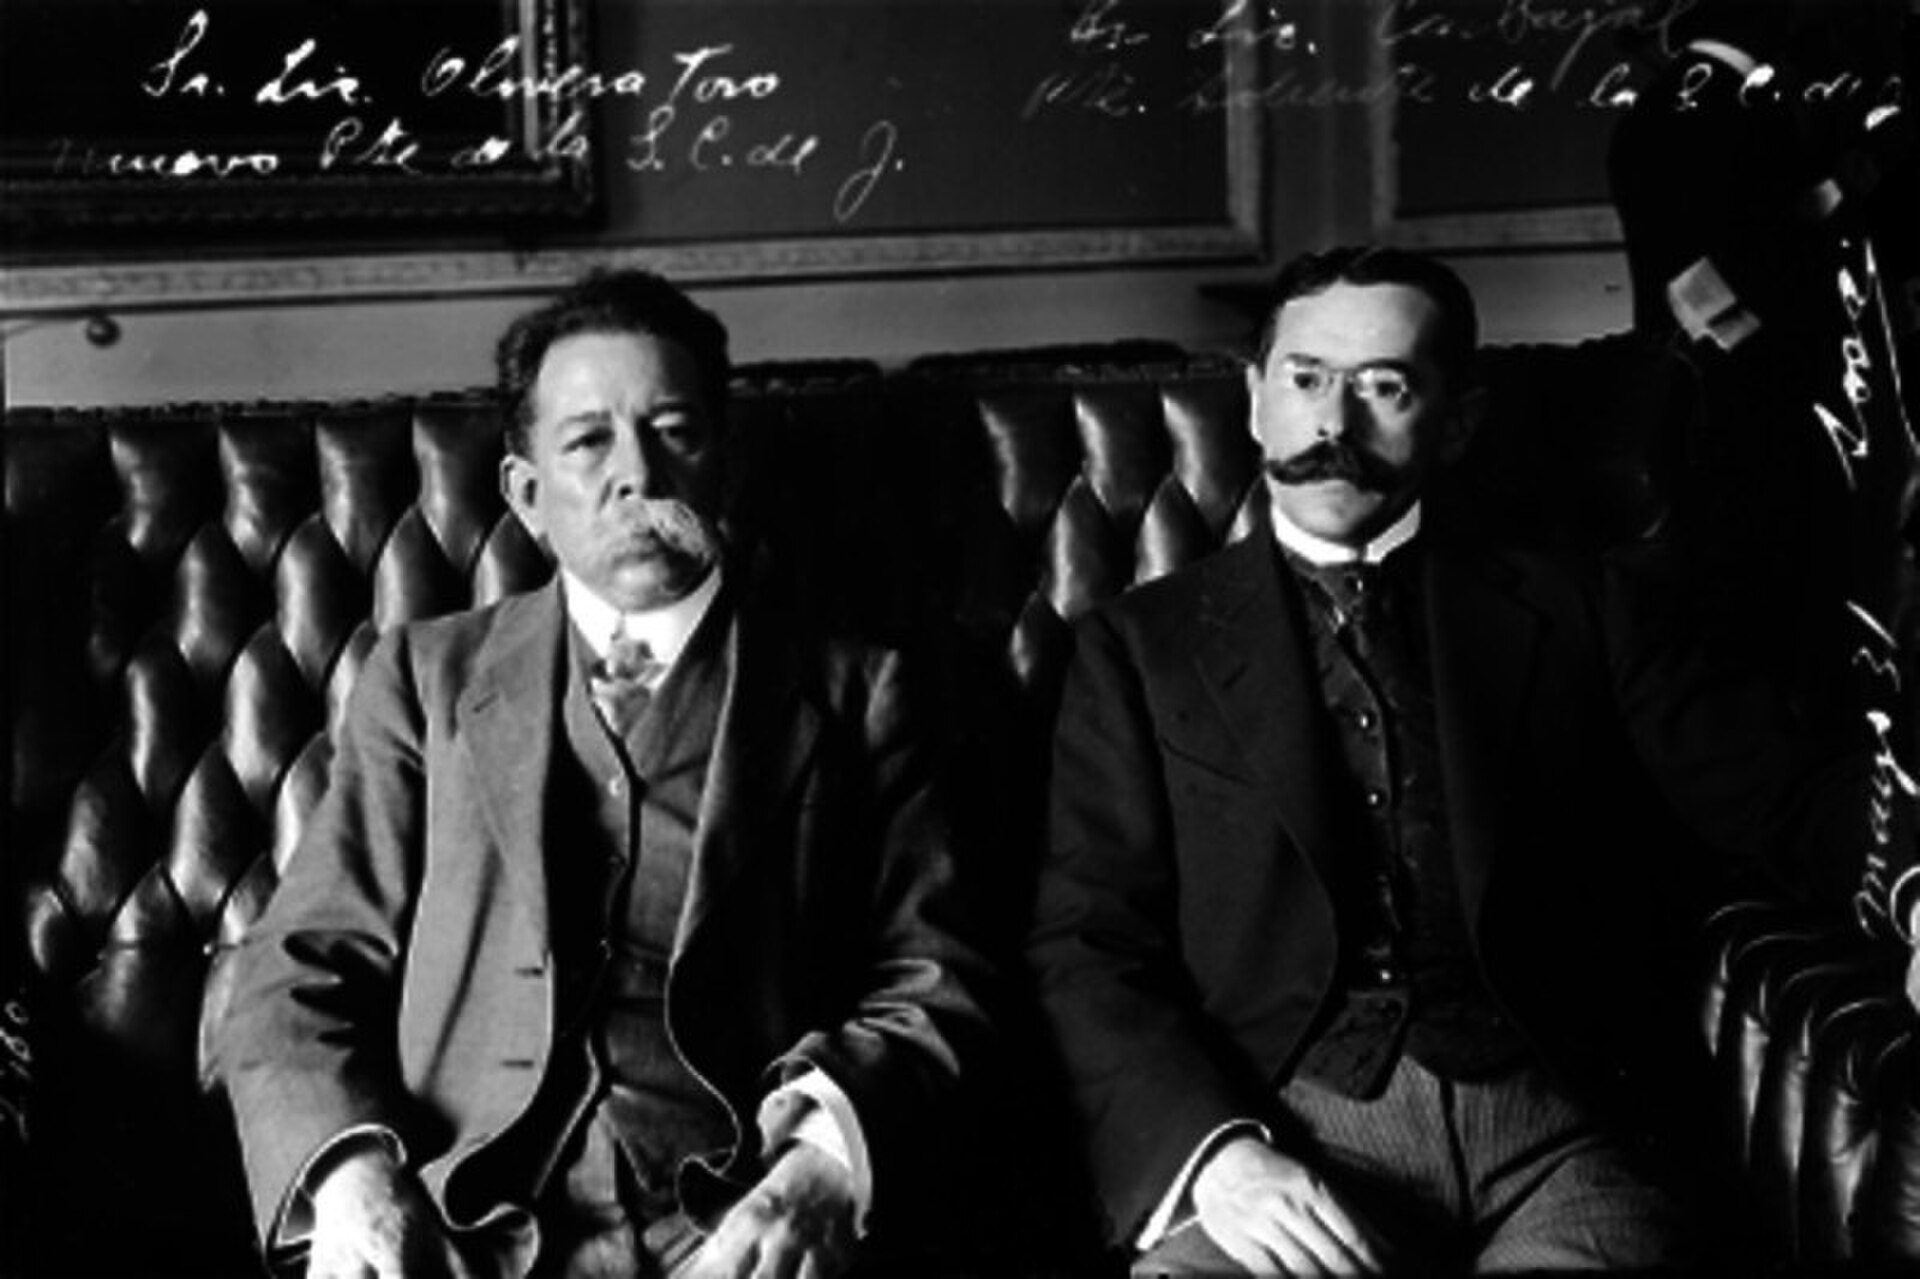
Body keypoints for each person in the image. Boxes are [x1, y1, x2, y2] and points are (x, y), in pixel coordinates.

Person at [1028, 244, 1920, 1274]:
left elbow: (1791, 793)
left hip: (1564, 1139)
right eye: (1306, 380)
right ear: (1255, 398)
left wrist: (1913, 891)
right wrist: (1217, 1158)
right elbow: (1086, 942)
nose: (1334, 427)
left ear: (1457, 420)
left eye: (1386, 387)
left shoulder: (1582, 605)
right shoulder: (1141, 648)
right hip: (1284, 1138)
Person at [215, 269, 994, 1279]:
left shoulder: (857, 692)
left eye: (676, 431)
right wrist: (356, 1182)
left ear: (726, 463)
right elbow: (294, 967)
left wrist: (820, 1167)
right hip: (462, 1223)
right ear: (529, 494)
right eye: (588, 442)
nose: (641, 475)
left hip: (737, 1219)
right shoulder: (424, 680)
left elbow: (933, 978)